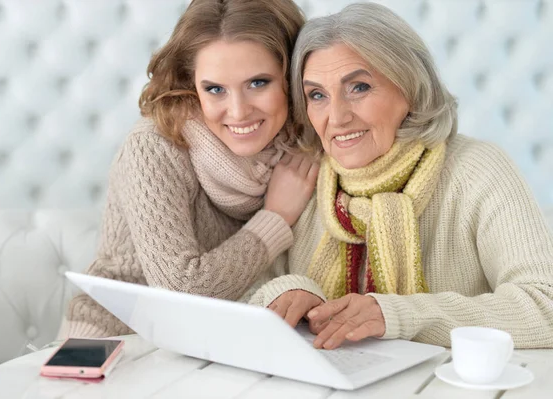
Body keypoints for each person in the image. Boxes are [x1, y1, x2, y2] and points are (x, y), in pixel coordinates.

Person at [249, 3, 553, 350]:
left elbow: (545, 303)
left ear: (409, 87)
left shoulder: (477, 169)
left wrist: (398, 315)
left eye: (359, 87)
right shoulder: (301, 174)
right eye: (317, 95)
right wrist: (289, 291)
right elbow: (245, 290)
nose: (337, 117)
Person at [60, 0, 317, 338]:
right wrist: (276, 218)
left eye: (258, 83)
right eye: (215, 89)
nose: (238, 112)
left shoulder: (300, 143)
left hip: (222, 339)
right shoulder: (154, 146)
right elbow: (181, 291)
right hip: (116, 339)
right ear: (190, 84)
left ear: (291, 77)